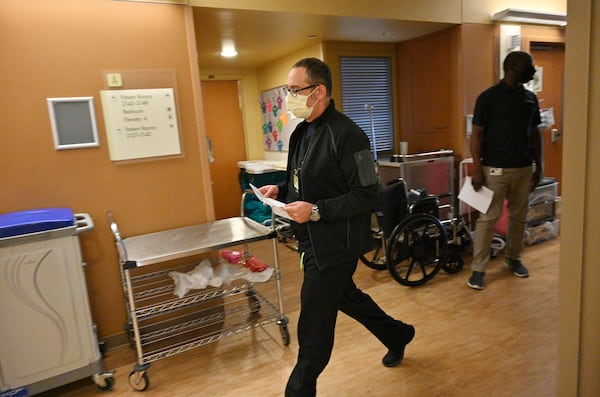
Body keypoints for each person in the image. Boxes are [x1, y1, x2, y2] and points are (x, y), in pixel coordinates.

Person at [259, 58, 415, 396]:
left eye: (294, 90)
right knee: (347, 297)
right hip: (311, 241)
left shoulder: (349, 136)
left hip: (335, 246)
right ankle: (397, 334)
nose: (290, 97)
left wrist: (315, 211)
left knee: (313, 331)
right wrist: (281, 191)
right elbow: (302, 183)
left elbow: (368, 195)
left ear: (319, 91)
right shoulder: (302, 132)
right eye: (288, 90)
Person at [467, 50, 543, 290]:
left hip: (523, 169)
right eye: (527, 66)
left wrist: (539, 166)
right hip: (494, 170)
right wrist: (477, 169)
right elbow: (476, 135)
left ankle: (513, 258)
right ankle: (478, 269)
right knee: (487, 219)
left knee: (519, 218)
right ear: (511, 67)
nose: (531, 71)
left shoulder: (530, 99)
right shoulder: (488, 98)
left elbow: (536, 135)